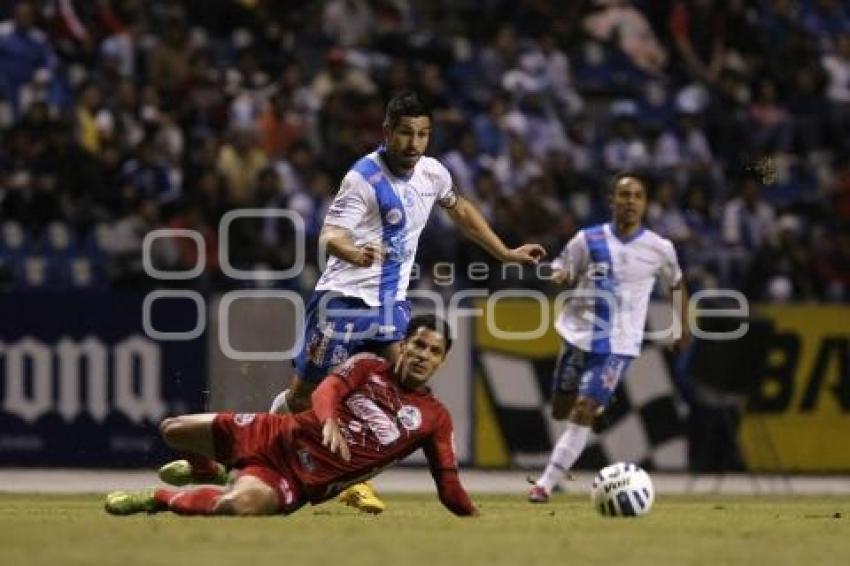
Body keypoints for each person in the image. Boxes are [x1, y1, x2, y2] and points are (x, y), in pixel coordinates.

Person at [268, 90, 545, 512]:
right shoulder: (362, 178)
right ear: (387, 132)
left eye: (422, 134)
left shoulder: (432, 173)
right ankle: (259, 444)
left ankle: (348, 477)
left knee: (397, 392)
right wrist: (354, 253)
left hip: (390, 305)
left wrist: (504, 252)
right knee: (304, 397)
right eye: (405, 134)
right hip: (341, 301)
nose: (414, 144)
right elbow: (330, 234)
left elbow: (462, 210)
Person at [105, 315, 477, 518]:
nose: (423, 355)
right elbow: (327, 389)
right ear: (402, 346)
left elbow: (449, 487)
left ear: (442, 361)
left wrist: (473, 515)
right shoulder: (368, 365)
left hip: (296, 480)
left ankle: (157, 498)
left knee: (238, 506)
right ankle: (209, 471)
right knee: (172, 430)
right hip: (273, 433)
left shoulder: (435, 419)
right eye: (417, 345)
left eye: (433, 351)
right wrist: (329, 418)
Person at [528, 173, 690, 503]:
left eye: (637, 196)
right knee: (561, 409)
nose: (630, 201)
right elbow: (563, 265)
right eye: (624, 195)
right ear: (611, 201)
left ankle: (544, 484)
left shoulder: (660, 248)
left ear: (645, 204)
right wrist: (560, 273)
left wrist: (683, 326)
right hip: (578, 335)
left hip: (620, 343)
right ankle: (599, 411)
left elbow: (676, 285)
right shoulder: (588, 239)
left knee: (583, 409)